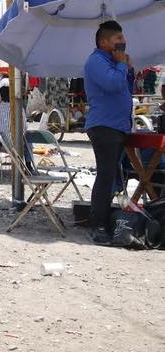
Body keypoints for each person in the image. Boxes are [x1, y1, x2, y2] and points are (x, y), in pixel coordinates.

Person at [84, 20, 134, 246]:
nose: (123, 43)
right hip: (104, 126)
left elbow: (124, 87)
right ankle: (98, 225)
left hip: (117, 126)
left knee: (112, 175)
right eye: (118, 39)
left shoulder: (113, 61)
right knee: (105, 176)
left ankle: (106, 219)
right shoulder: (96, 61)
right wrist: (122, 65)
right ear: (104, 42)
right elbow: (113, 84)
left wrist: (126, 68)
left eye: (123, 39)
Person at [0, 86, 29, 175]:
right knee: (28, 141)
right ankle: (28, 165)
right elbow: (24, 128)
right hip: (16, 145)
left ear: (0, 96)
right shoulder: (20, 109)